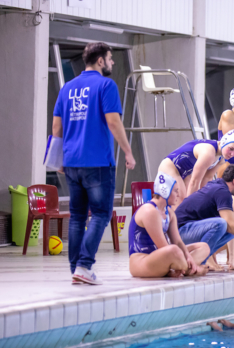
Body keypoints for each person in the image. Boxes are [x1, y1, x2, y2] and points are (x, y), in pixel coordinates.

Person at [52, 42, 136, 285]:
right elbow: (113, 122)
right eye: (110, 59)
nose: (111, 63)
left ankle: (76, 268)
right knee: (100, 213)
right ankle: (84, 265)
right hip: (97, 162)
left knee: (78, 216)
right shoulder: (106, 85)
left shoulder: (67, 88)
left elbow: (57, 128)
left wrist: (58, 160)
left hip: (71, 163)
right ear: (100, 60)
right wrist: (128, 153)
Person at [128, 172, 209, 278]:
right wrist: (184, 258)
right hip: (141, 262)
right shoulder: (150, 211)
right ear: (165, 191)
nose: (178, 195)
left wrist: (188, 257)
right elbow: (163, 247)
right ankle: (190, 269)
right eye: (175, 191)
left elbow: (178, 241)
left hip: (160, 256)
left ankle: (183, 268)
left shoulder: (169, 213)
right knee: (173, 250)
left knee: (203, 247)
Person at [157, 130, 234, 205]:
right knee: (182, 201)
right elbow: (195, 181)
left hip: (186, 174)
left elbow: (207, 179)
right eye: (231, 149)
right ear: (224, 142)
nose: (232, 154)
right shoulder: (209, 152)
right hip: (170, 166)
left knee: (190, 201)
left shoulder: (221, 158)